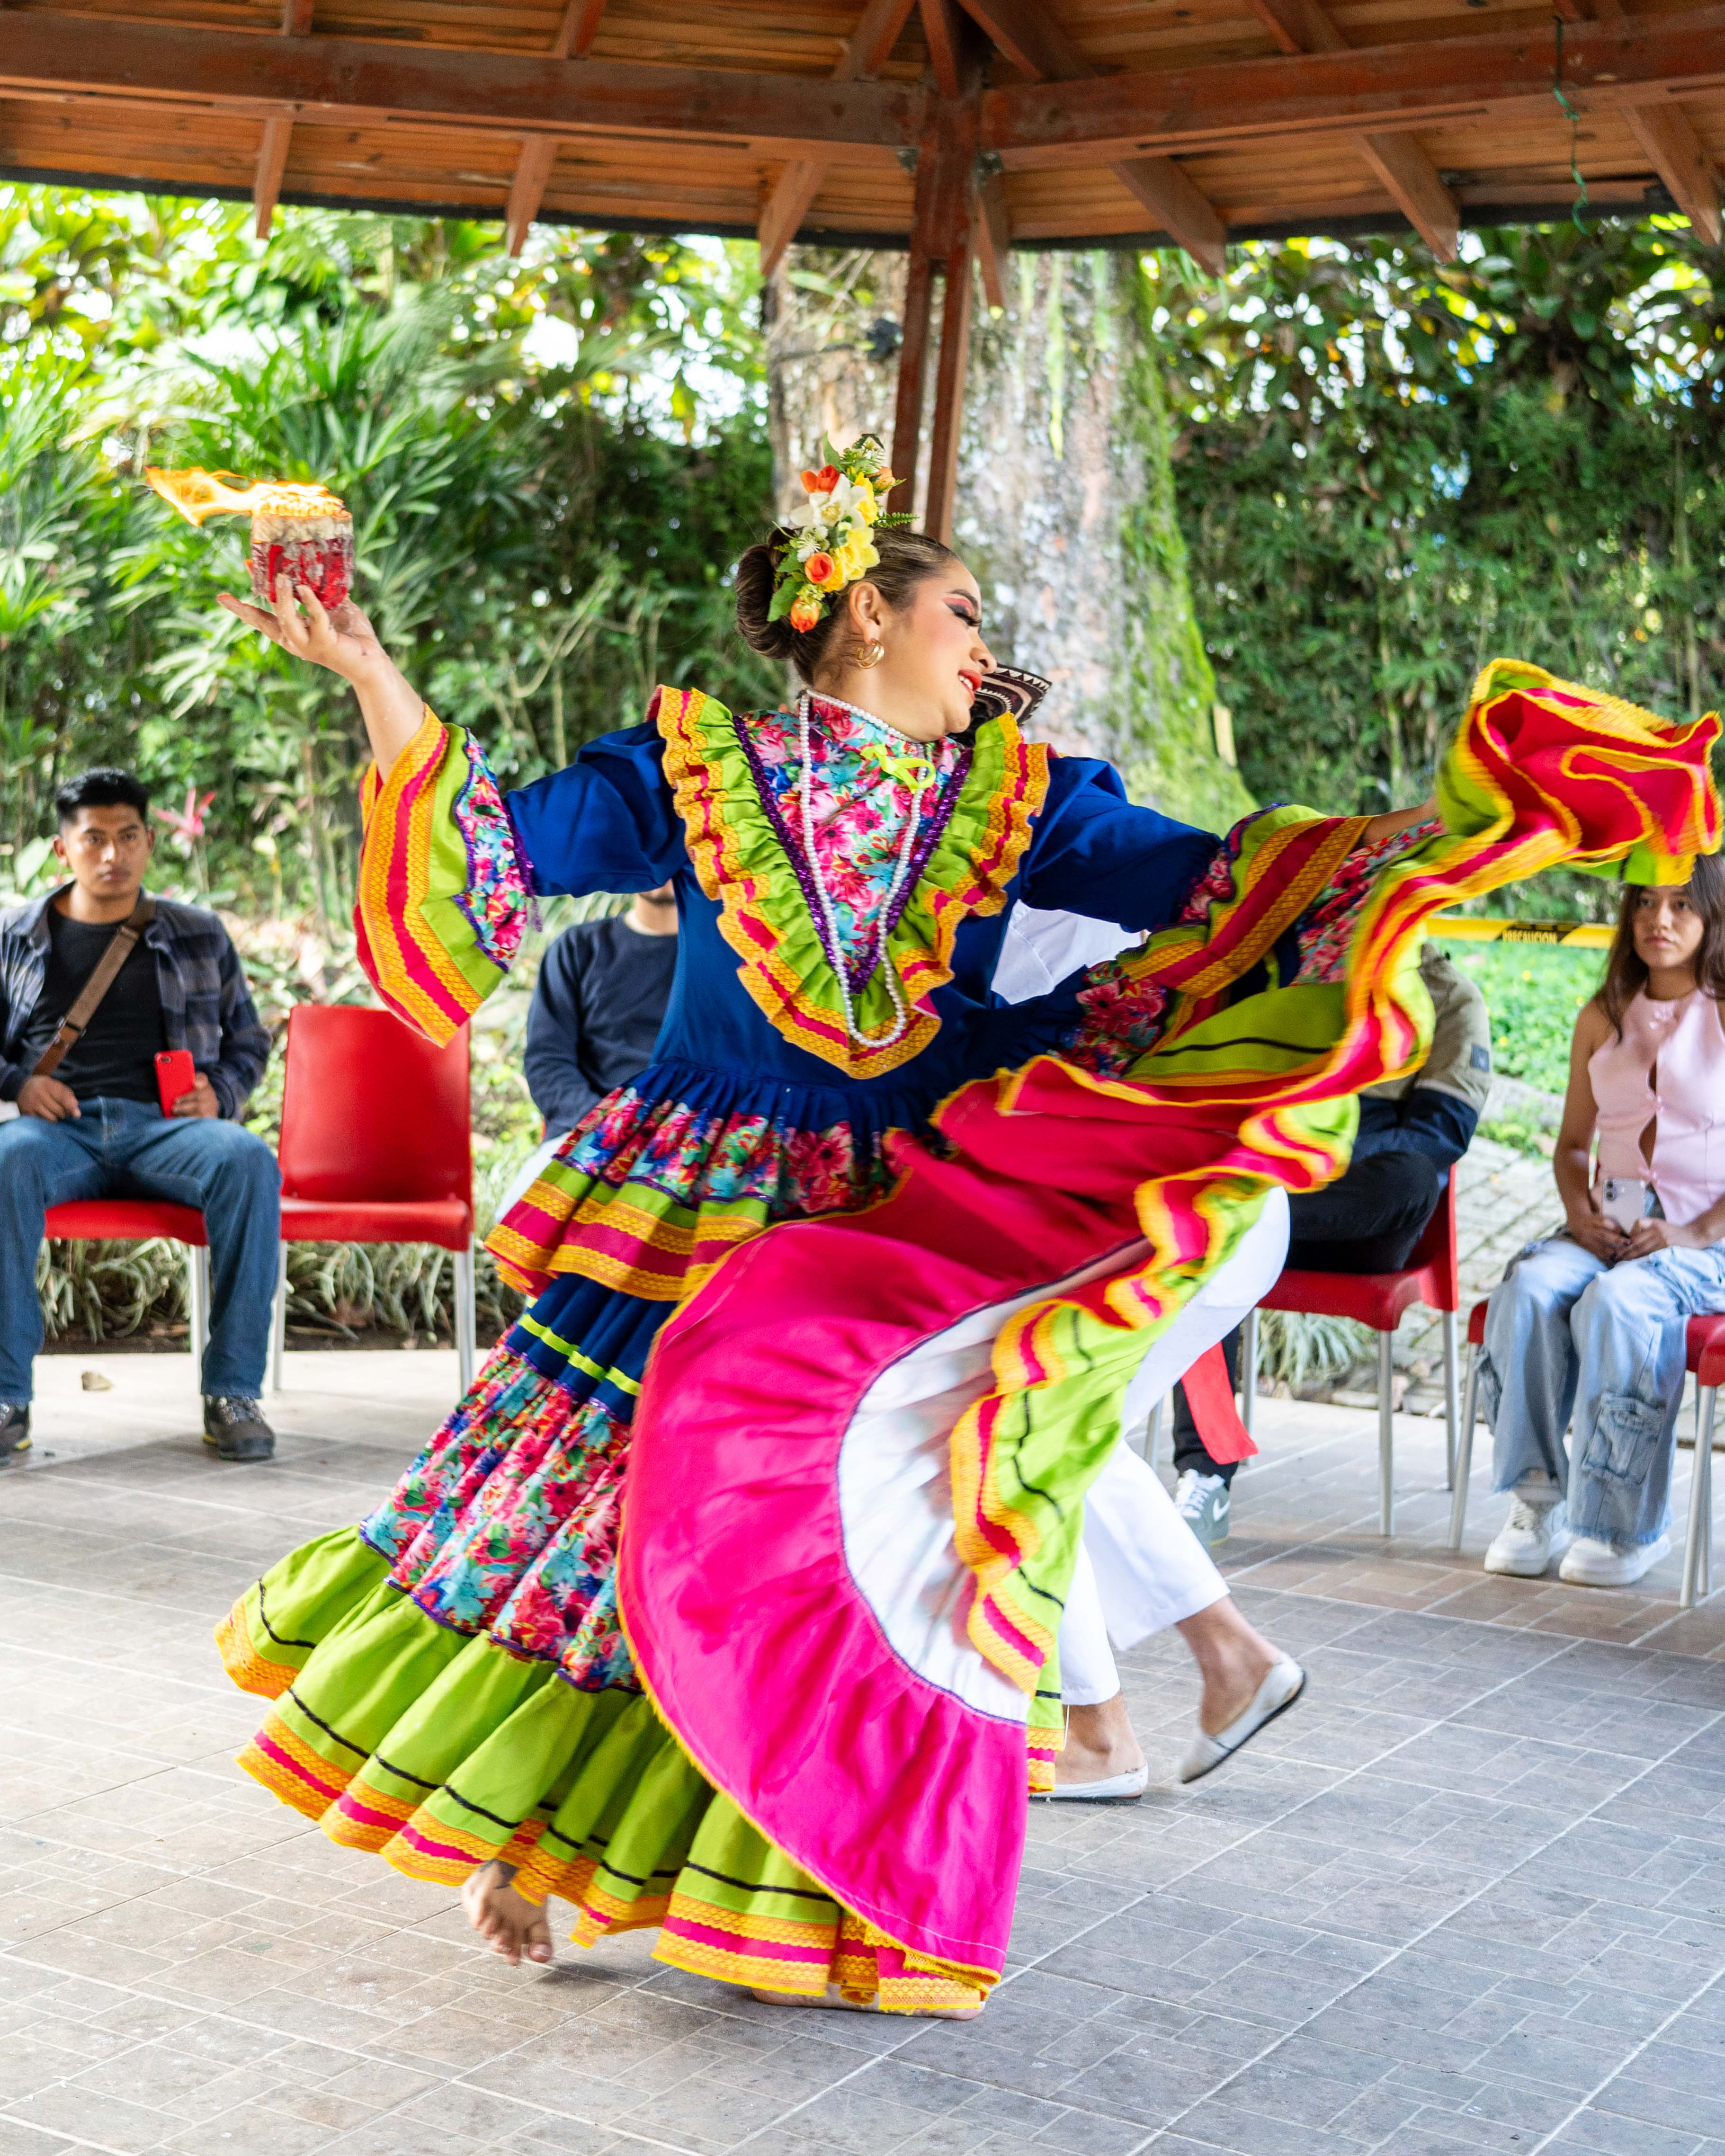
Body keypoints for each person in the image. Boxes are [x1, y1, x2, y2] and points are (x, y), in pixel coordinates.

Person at [210, 445, 1704, 2014]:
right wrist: (369, 671)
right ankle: (533, 1835)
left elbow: (1223, 882)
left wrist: (1448, 836)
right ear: (866, 612)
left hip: (903, 1207)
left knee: (832, 1542)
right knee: (614, 1516)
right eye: (963, 611)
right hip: (698, 1201)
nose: (983, 648)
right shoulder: (697, 769)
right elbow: (496, 848)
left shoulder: (1016, 798)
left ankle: (785, 1863)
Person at [1170, 943, 1492, 1545]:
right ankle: (1204, 1476)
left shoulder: (1451, 999)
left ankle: (1245, 1214)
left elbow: (1441, 1134)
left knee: (1409, 1176)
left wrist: (1318, 1165)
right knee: (1217, 1248)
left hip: (1359, 1222)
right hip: (1271, 1184)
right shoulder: (1288, 966)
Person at [0, 768, 278, 1462]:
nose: (112, 855)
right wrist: (19, 1084)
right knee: (5, 1161)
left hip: (168, 1131)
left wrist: (221, 1093)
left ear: (151, 842)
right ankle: (7, 1396)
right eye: (94, 838)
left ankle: (233, 1392)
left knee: (247, 1158)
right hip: (56, 1132)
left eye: (128, 837)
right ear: (62, 849)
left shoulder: (198, 933)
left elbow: (250, 1039)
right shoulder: (16, 935)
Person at [1478, 862, 1725, 1587]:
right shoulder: (1601, 1016)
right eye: (1645, 902)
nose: (1658, 919)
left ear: (1712, 915)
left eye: (1680, 905)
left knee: (1617, 1302)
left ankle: (1621, 1526)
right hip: (1605, 1225)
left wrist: (1688, 1233)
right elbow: (1569, 1147)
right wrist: (1576, 1213)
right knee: (1527, 1288)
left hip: (1703, 1239)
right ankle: (1535, 1500)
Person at [504, 882, 679, 1212]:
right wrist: (607, 1126)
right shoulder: (578, 948)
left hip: (689, 1141)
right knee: (520, 1220)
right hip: (589, 1134)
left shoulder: (726, 960)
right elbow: (548, 1062)